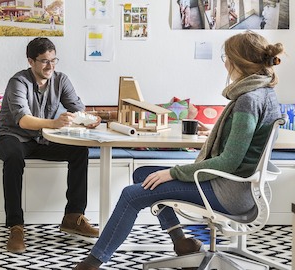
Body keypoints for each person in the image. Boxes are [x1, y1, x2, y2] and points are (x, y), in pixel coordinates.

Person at [73, 30, 284, 269]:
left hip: (229, 192)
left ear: (238, 62)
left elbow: (229, 162)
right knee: (143, 174)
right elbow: (246, 141)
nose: (225, 63)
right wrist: (218, 132)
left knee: (131, 195)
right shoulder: (265, 93)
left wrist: (174, 172)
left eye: (226, 57)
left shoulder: (248, 99)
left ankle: (92, 263)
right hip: (242, 188)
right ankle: (181, 242)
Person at [0, 37, 102, 254]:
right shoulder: (18, 82)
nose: (50, 66)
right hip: (11, 137)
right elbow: (23, 121)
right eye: (44, 61)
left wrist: (90, 118)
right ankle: (16, 226)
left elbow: (78, 109)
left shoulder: (61, 80)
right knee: (14, 157)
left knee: (79, 151)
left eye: (53, 60)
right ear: (31, 61)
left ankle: (73, 217)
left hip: (42, 139)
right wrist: (54, 122)